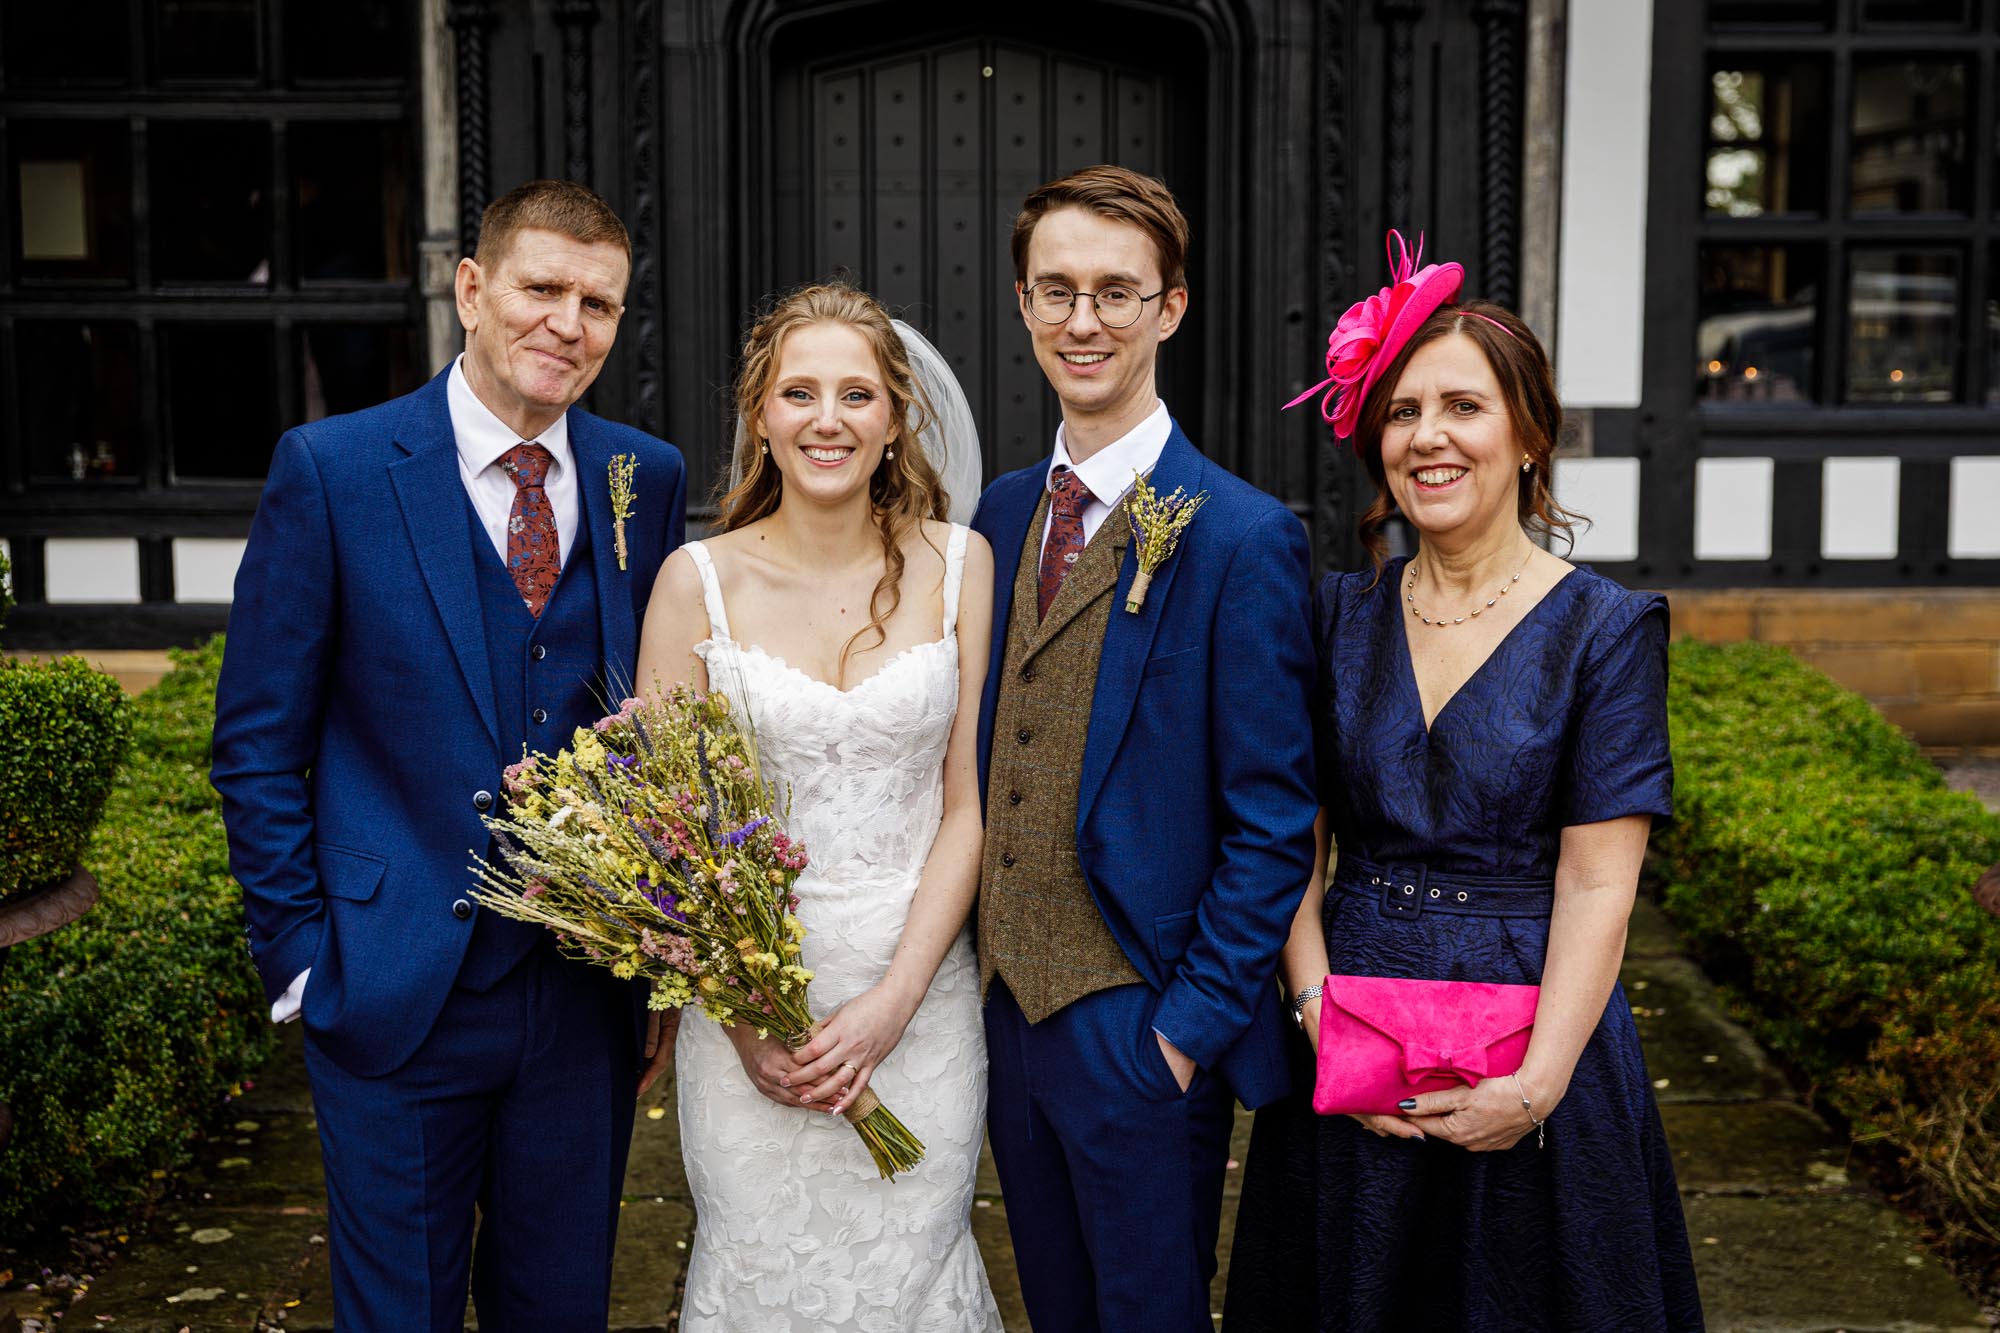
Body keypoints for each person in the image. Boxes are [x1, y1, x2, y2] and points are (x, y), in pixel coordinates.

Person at [212, 180, 688, 1330]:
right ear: (471, 290)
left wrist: (661, 946)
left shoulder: (646, 478)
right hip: (389, 983)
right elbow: (257, 743)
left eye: (598, 303)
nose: (565, 324)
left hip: (581, 1002)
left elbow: (664, 725)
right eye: (540, 288)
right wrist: (305, 963)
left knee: (559, 1306)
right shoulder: (332, 469)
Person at [1223, 235, 1704, 1330]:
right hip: (1353, 1034)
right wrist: (1314, 1011)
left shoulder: (1606, 630)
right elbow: (1288, 838)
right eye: (1399, 411)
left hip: (1534, 1039)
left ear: (1527, 435)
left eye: (1461, 407)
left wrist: (1531, 1088)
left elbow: (1595, 884)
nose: (1426, 437)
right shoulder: (1333, 614)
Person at [970, 164, 1320, 1330]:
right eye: (1055, 290)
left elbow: (1274, 823)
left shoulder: (1244, 536)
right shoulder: (1000, 515)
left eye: (1115, 293)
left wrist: (1179, 1037)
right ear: (1021, 305)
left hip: (1139, 1021)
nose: (1083, 322)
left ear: (1169, 307)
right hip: (1003, 1017)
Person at [635, 281, 1003, 1331]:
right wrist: (750, 1021)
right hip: (751, 1021)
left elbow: (965, 809)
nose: (826, 419)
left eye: (855, 394)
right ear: (759, 414)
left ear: (895, 417)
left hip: (918, 1003)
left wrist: (890, 1004)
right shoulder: (689, 585)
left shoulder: (957, 567)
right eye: (799, 393)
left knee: (911, 1276)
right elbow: (670, 834)